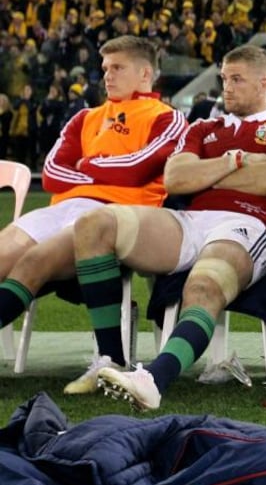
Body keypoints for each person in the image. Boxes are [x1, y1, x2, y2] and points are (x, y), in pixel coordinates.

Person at [70, 45, 266, 410]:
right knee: (94, 224)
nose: (227, 87)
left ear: (264, 82)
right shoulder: (203, 127)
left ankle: (153, 379)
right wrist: (237, 161)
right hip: (191, 220)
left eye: (237, 79)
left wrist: (206, 175)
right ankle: (111, 359)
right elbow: (175, 180)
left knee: (203, 286)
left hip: (250, 224)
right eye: (224, 78)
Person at [0, 36, 185, 383]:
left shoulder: (167, 118)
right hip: (65, 207)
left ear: (145, 73)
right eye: (105, 68)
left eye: (118, 68)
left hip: (115, 216)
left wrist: (88, 164)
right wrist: (105, 168)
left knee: (34, 261)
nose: (107, 76)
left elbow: (140, 169)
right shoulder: (85, 117)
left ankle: (111, 359)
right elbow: (52, 173)